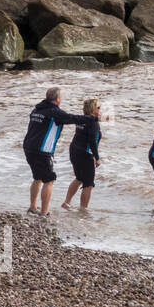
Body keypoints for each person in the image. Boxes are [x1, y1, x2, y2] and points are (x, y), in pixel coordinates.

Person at [23, 87, 100, 216]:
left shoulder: (37, 109)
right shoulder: (54, 112)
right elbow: (71, 118)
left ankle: (32, 206)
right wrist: (93, 119)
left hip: (28, 146)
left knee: (37, 178)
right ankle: (44, 211)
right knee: (49, 180)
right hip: (42, 150)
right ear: (58, 99)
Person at [62, 98, 102, 210]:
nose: (100, 109)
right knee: (88, 184)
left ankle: (67, 202)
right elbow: (92, 141)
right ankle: (83, 209)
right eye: (98, 107)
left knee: (79, 178)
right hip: (84, 154)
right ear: (93, 109)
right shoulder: (93, 123)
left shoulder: (83, 119)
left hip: (74, 151)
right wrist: (97, 158)